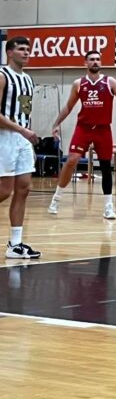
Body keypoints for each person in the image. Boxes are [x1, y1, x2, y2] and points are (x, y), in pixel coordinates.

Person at [49, 51, 116, 219]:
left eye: (98, 59)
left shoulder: (110, 81)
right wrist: (56, 123)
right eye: (92, 59)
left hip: (103, 129)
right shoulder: (78, 83)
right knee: (71, 160)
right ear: (85, 63)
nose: (95, 62)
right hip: (84, 128)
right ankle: (56, 198)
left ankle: (108, 207)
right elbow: (68, 106)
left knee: (105, 166)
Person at [1, 36, 40, 259]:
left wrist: (27, 135)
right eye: (21, 49)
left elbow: (25, 111)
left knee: (24, 188)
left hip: (22, 139)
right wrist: (21, 130)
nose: (26, 52)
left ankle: (15, 244)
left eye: (28, 49)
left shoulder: (27, 79)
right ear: (9, 52)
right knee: (5, 190)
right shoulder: (2, 76)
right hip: (4, 137)